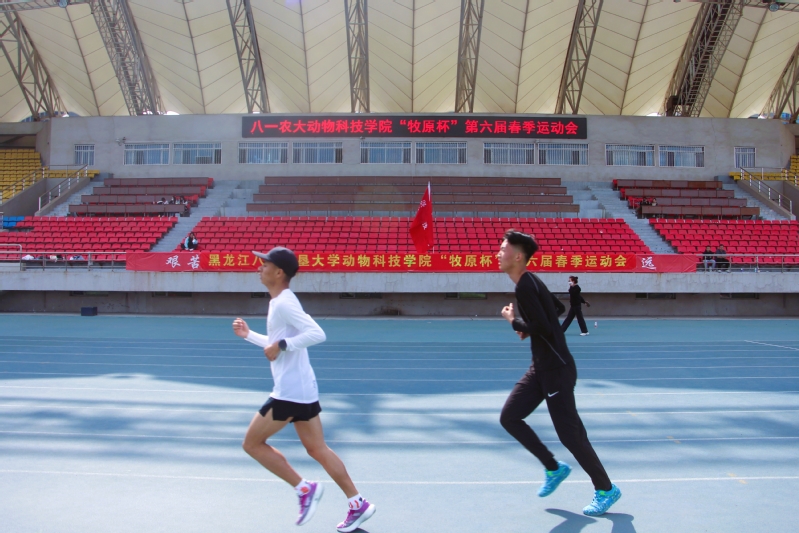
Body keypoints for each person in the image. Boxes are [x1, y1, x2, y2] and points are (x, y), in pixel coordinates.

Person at [232, 247, 375, 532]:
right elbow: (277, 342)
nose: (259, 268)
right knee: (317, 448)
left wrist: (282, 345)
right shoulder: (279, 302)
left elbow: (316, 334)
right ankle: (357, 502)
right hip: (302, 388)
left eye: (264, 265)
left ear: (279, 272)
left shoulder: (284, 303)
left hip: (289, 392)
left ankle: (304, 489)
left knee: (252, 444)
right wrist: (250, 336)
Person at [497, 230, 621, 517]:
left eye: (503, 249)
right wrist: (530, 327)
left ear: (518, 256)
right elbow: (557, 307)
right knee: (510, 417)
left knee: (571, 435)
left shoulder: (525, 285)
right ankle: (553, 468)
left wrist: (514, 321)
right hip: (540, 369)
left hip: (556, 370)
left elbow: (543, 324)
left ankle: (606, 489)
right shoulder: (530, 281)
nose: (498, 254)